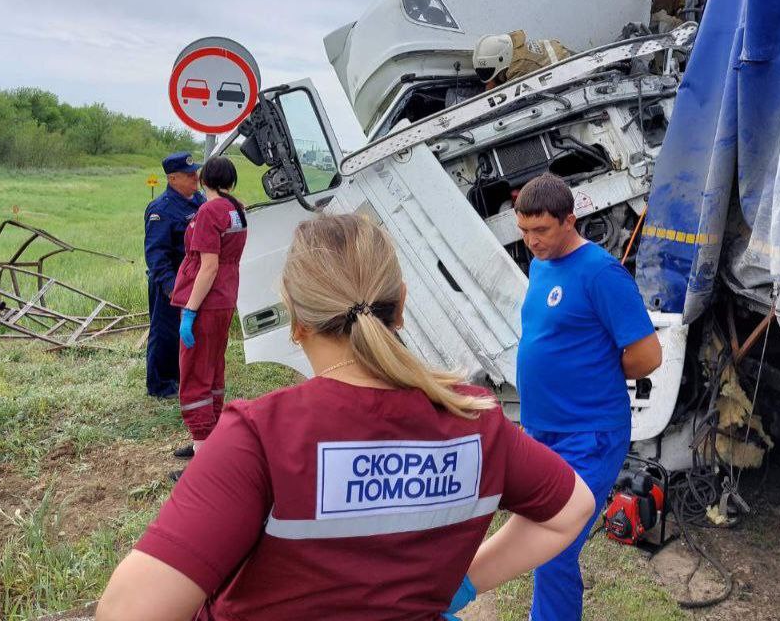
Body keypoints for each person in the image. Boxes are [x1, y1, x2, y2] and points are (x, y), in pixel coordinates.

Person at [97, 213, 596, 621]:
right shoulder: (477, 419)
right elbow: (571, 511)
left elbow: (130, 611)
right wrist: (461, 586)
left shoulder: (262, 436)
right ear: (401, 305)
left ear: (295, 319)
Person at [513, 173, 663, 620]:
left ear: (570, 221)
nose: (531, 241)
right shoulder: (542, 264)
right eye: (524, 231)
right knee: (539, 539)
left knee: (554, 545)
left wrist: (597, 374)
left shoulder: (601, 273)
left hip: (589, 435)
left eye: (541, 230)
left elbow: (648, 354)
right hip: (543, 431)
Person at [167, 156, 248, 470]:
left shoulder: (210, 210)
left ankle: (204, 461)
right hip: (225, 299)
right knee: (212, 370)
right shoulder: (235, 208)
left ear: (203, 180)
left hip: (206, 301)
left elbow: (208, 265)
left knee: (195, 376)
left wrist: (189, 310)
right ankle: (210, 440)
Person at [144, 152, 206, 398]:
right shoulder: (161, 210)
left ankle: (181, 376)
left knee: (189, 331)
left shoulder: (197, 200)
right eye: (189, 175)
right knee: (164, 331)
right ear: (172, 178)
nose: (195, 178)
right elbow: (156, 253)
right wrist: (170, 286)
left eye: (195, 173)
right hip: (170, 281)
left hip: (194, 279)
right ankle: (160, 385)